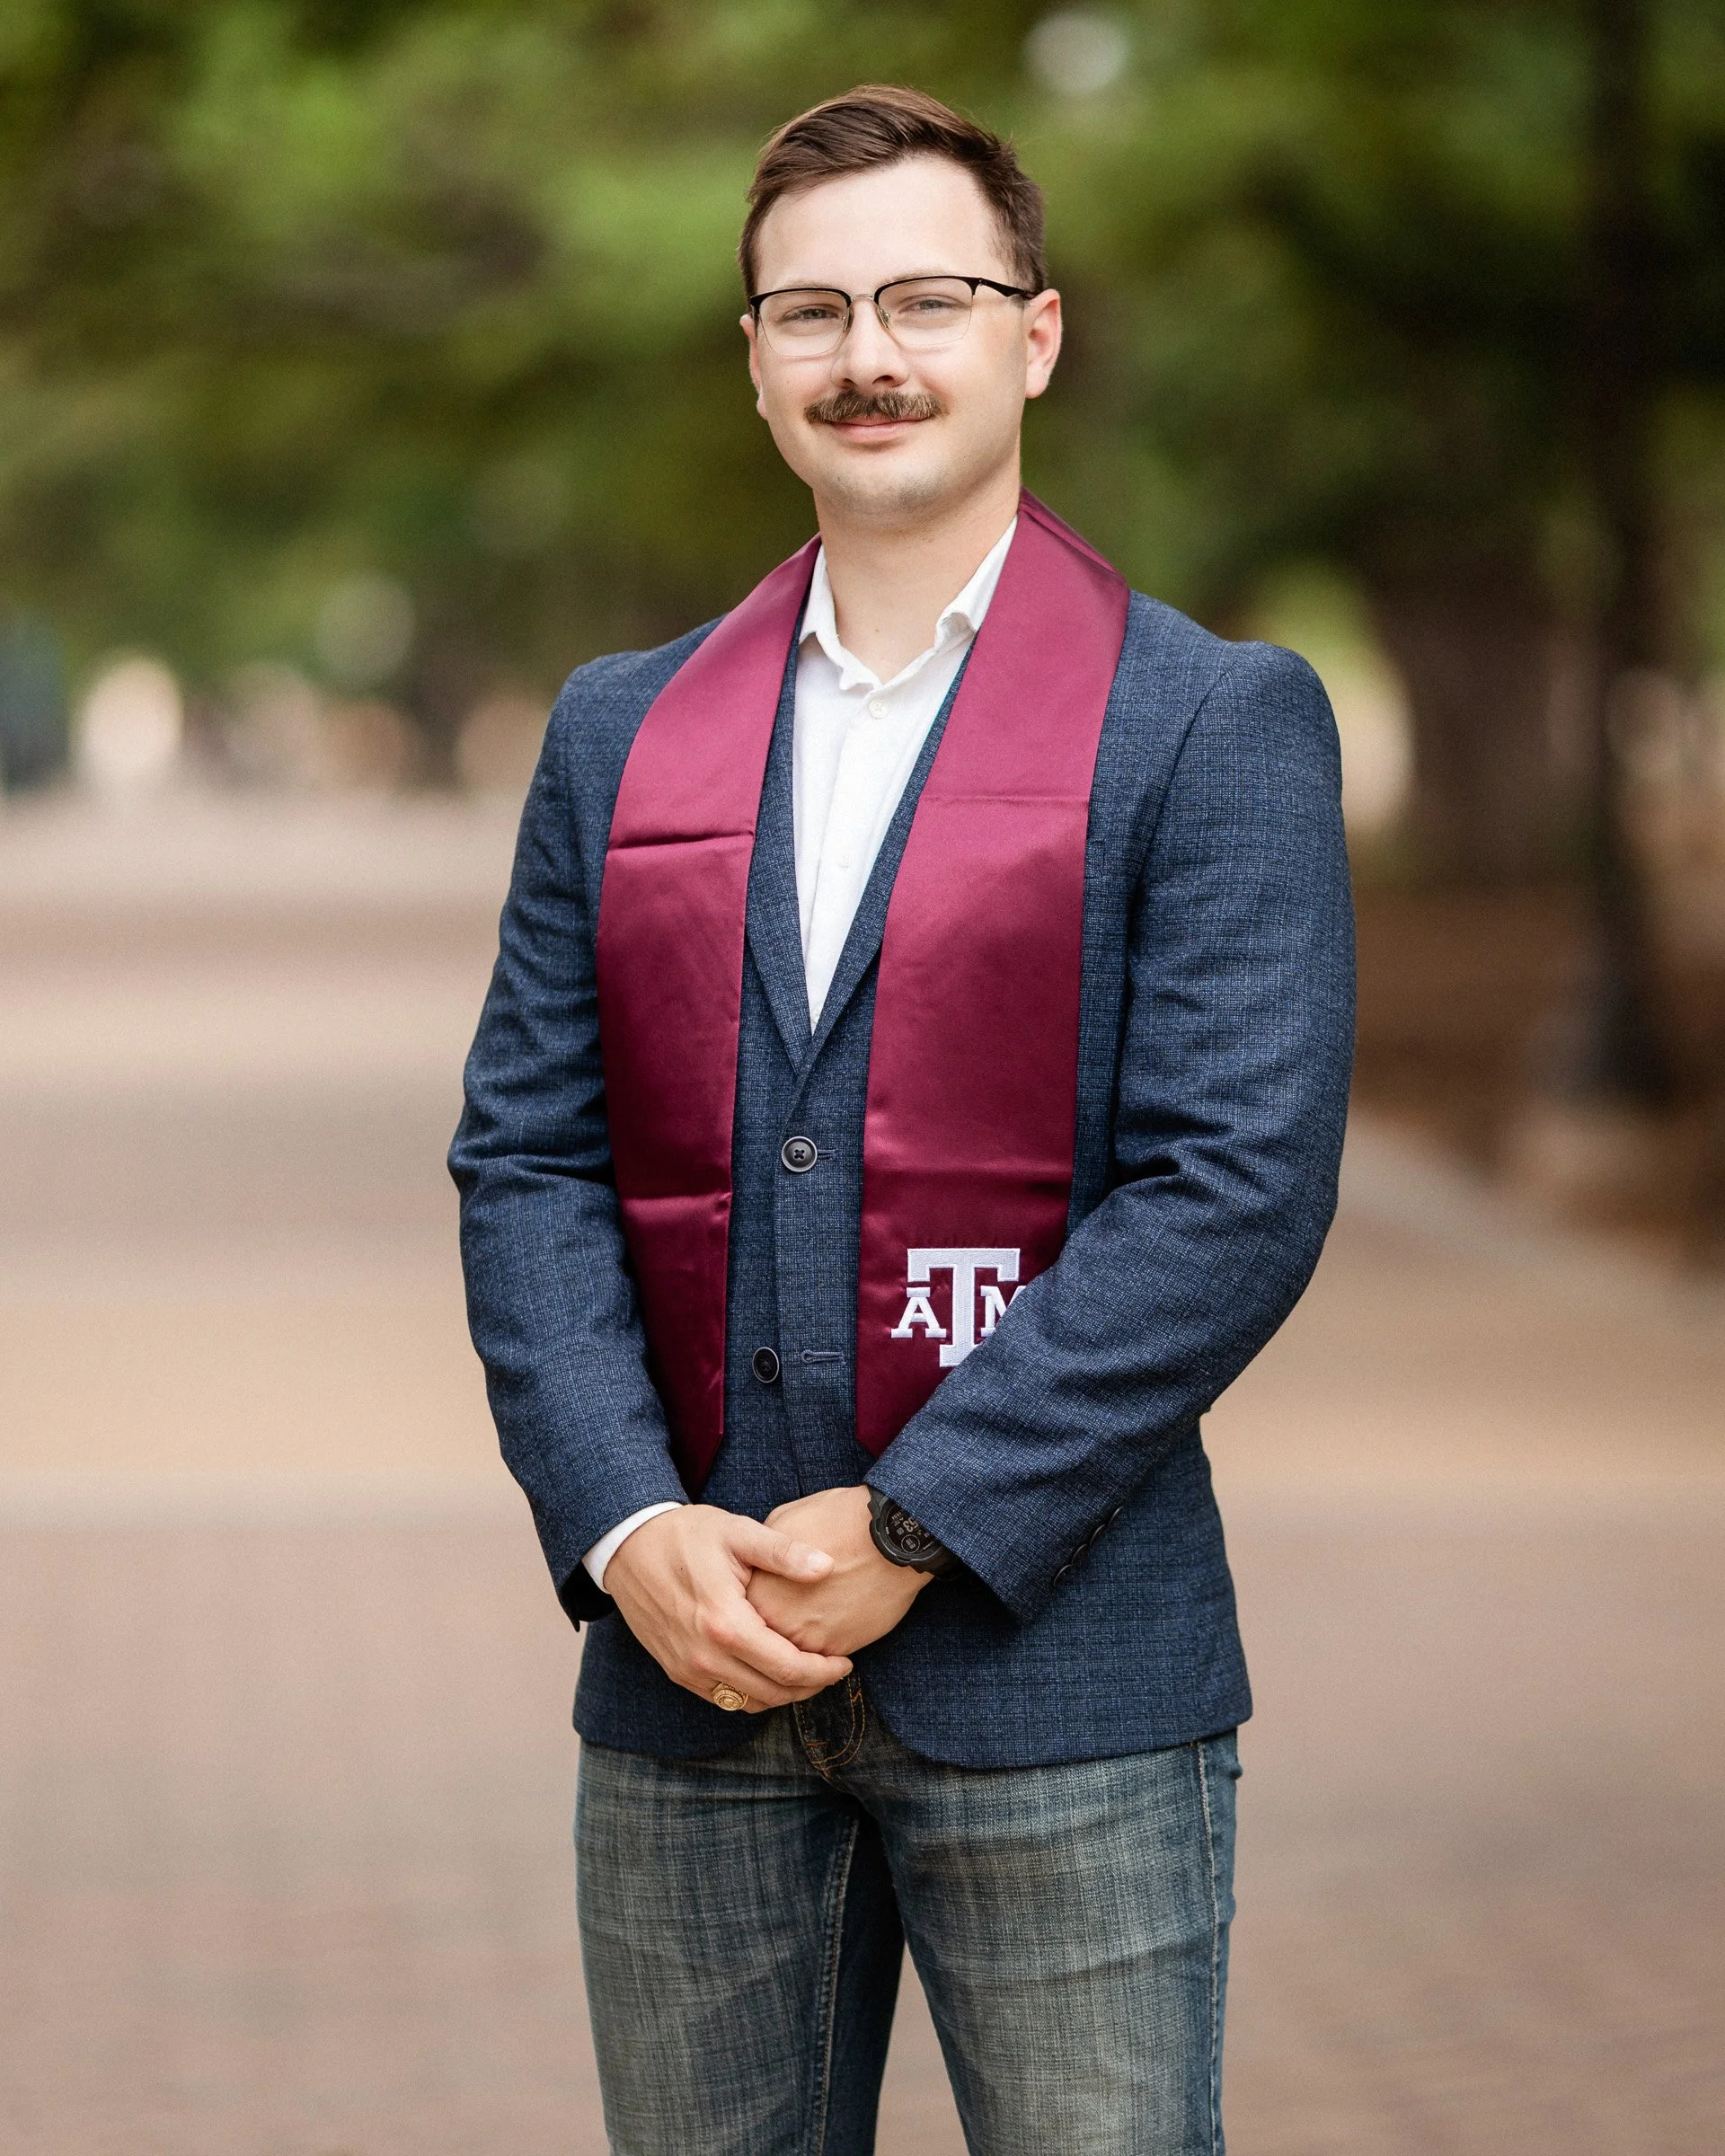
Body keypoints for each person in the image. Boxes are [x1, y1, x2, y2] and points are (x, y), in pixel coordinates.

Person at [451, 84, 1354, 2156]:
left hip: (1064, 1680)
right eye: (810, 313)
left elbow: (1232, 1191)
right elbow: (527, 1160)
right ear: (754, 364)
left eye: (924, 299)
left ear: (1033, 334)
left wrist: (917, 1524)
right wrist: (621, 1523)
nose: (869, 354)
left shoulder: (1212, 723)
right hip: (689, 1673)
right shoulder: (621, 732)